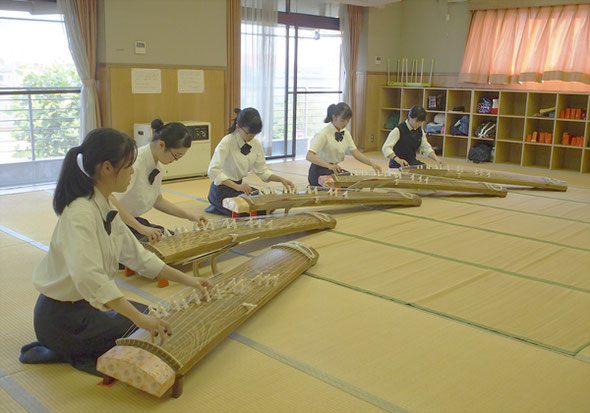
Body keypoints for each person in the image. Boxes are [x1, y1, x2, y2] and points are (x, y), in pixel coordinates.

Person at [19, 128, 211, 376]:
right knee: (142, 326)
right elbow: (89, 277)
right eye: (129, 166)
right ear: (107, 168)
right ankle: (66, 349)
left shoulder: (104, 203)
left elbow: (138, 257)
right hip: (62, 319)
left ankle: (93, 340)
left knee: (151, 316)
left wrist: (190, 280)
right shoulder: (80, 213)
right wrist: (139, 321)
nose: (132, 172)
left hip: (86, 306)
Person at [111, 119, 207, 244]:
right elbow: (111, 199)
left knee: (173, 239)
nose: (176, 160)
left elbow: (157, 200)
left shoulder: (157, 165)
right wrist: (140, 228)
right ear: (161, 145)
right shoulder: (135, 163)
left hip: (132, 221)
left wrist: (190, 216)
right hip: (115, 223)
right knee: (156, 248)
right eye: (177, 155)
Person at [206, 108, 294, 216]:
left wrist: (280, 179)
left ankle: (222, 207)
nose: (251, 137)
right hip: (222, 190)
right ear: (238, 127)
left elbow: (262, 171)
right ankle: (217, 205)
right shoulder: (227, 142)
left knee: (268, 204)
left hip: (241, 188)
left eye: (255, 134)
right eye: (249, 134)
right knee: (247, 211)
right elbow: (213, 171)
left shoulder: (255, 143)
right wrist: (237, 187)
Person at [306, 102, 382, 187]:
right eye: (342, 120)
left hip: (334, 169)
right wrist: (328, 166)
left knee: (355, 183)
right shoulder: (323, 134)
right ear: (334, 117)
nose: (345, 123)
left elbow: (355, 152)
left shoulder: (345, 133)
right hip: (319, 171)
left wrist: (372, 163)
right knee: (341, 187)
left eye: (348, 120)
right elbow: (309, 156)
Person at [382, 104, 444, 168]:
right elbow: (386, 148)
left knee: (428, 170)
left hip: (411, 162)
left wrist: (436, 159)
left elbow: (426, 147)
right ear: (409, 117)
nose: (419, 124)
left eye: (421, 122)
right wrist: (398, 160)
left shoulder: (420, 131)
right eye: (417, 121)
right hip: (397, 164)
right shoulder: (398, 130)